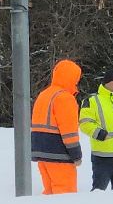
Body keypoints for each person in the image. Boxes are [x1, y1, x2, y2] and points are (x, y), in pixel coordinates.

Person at [30, 59, 83, 195]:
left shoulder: (44, 94)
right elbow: (69, 132)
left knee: (50, 193)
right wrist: (76, 155)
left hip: (41, 152)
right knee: (65, 194)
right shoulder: (65, 98)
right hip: (58, 154)